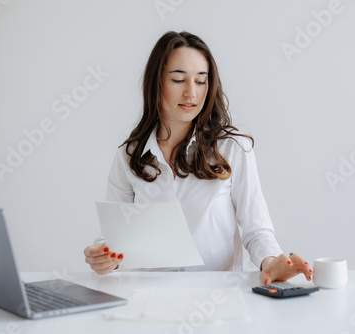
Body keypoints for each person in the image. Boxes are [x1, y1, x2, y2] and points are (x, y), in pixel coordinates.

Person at [84, 31, 313, 285]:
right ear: (156, 83)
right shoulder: (129, 156)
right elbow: (114, 238)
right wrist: (104, 256)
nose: (191, 93)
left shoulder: (233, 149)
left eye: (201, 81)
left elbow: (256, 230)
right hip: (148, 299)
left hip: (216, 298)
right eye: (179, 80)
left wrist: (271, 263)